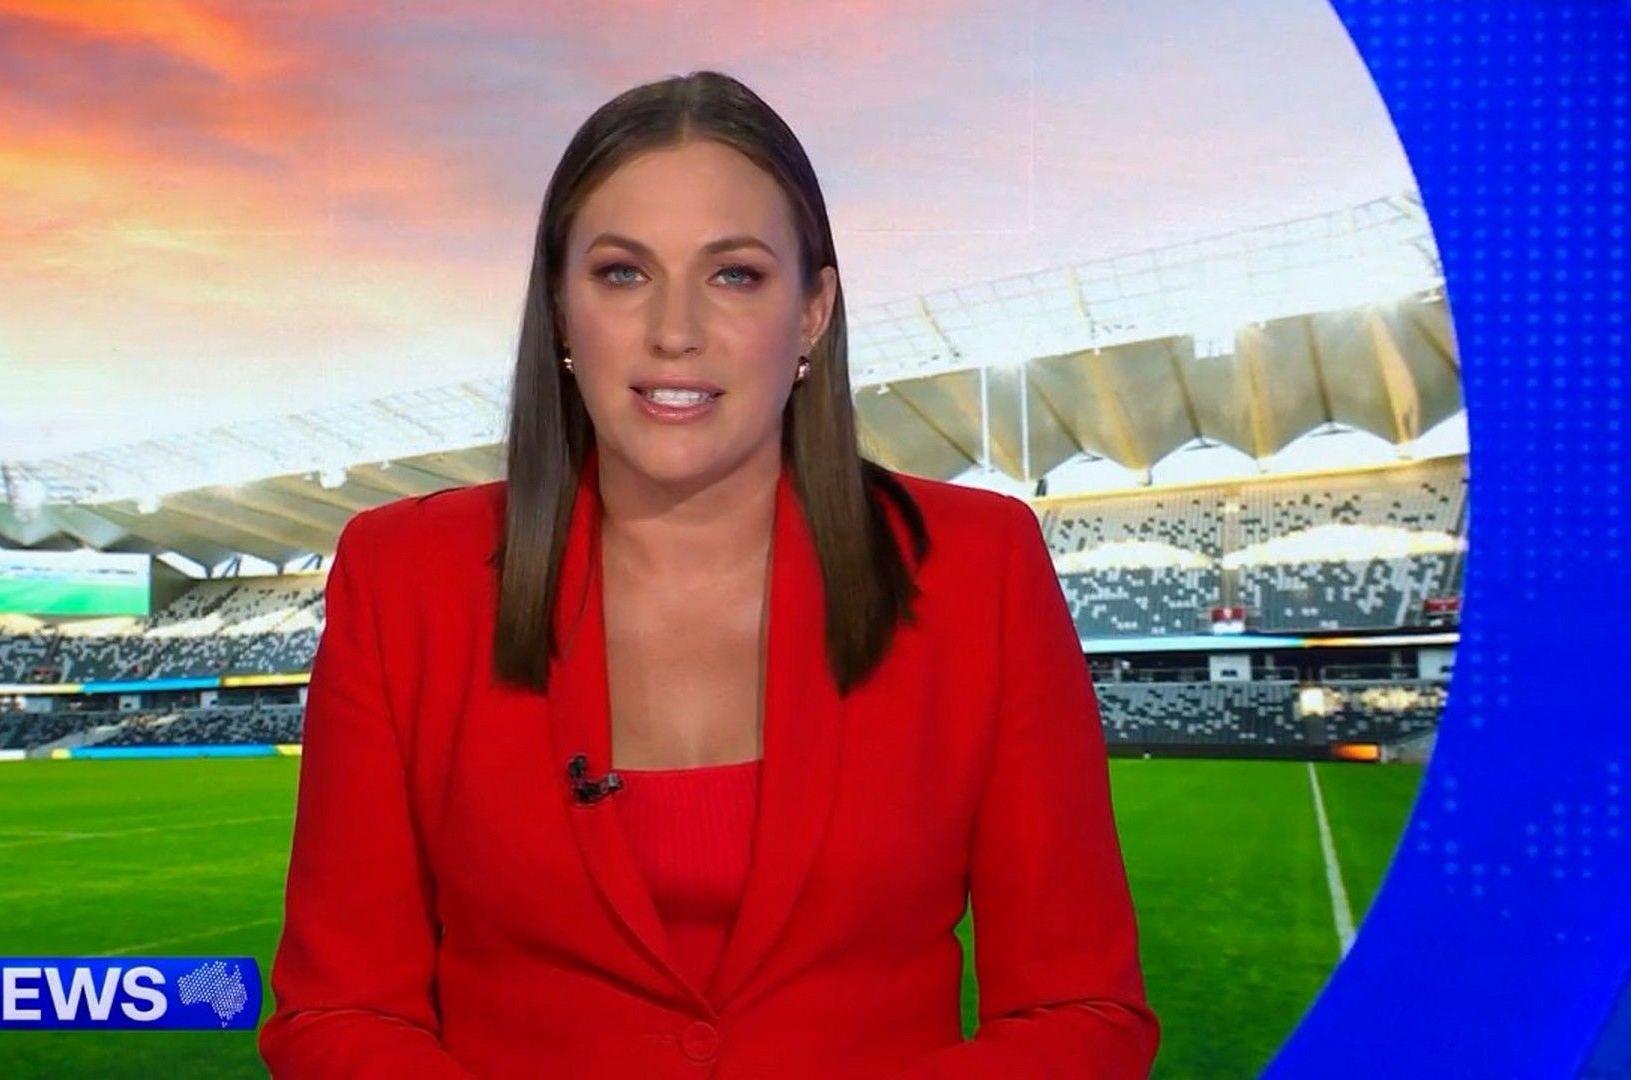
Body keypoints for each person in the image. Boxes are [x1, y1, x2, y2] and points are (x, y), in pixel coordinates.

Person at [261, 69, 1159, 1078]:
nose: (675, 330)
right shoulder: (403, 579)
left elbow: (1082, 1011)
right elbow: (338, 1015)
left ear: (813, 310)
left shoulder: (979, 567)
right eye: (621, 273)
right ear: (559, 308)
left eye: (734, 274)